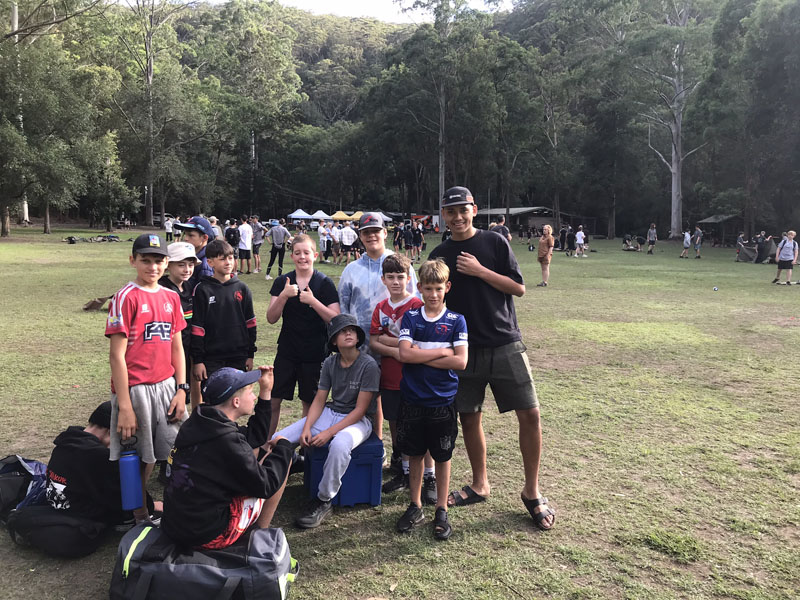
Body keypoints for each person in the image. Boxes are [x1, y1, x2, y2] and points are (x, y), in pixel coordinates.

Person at [429, 186, 555, 531]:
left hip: (504, 342)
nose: (457, 217)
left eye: (463, 210)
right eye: (451, 211)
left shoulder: (495, 242)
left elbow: (519, 288)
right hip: (462, 348)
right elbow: (434, 298)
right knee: (469, 417)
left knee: (530, 414)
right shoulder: (440, 253)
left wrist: (480, 270)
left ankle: (532, 491)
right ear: (443, 215)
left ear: (474, 209)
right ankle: (480, 484)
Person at [106, 234, 188, 524]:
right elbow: (116, 356)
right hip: (136, 390)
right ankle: (138, 515)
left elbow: (177, 347)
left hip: (166, 386)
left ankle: (155, 506)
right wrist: (125, 406)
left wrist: (182, 389)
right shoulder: (125, 297)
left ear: (166, 263)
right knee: (139, 456)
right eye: (146, 260)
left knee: (166, 451)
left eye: (158, 261)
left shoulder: (171, 297)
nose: (153, 267)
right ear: (133, 261)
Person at [162, 366, 293, 549]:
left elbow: (256, 437)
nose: (254, 397)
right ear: (236, 402)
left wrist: (266, 392)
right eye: (251, 392)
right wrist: (285, 448)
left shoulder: (200, 422)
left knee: (256, 451)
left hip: (175, 525)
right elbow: (266, 485)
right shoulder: (227, 441)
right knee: (279, 459)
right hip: (207, 536)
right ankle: (259, 534)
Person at [272, 314, 380, 529]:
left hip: (359, 420)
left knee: (339, 445)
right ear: (333, 341)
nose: (348, 333)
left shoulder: (369, 365)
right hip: (331, 412)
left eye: (352, 330)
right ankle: (297, 462)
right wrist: (306, 428)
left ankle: (324, 499)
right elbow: (320, 399)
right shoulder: (330, 362)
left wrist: (329, 433)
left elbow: (360, 410)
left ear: (358, 336)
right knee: (278, 438)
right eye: (342, 331)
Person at [394, 259, 468, 540]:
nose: (433, 294)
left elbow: (460, 362)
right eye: (428, 288)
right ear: (419, 288)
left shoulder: (456, 320)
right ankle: (415, 505)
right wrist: (442, 353)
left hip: (443, 402)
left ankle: (441, 509)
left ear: (447, 287)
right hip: (412, 399)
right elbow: (404, 354)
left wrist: (419, 356)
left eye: (438, 288)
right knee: (414, 454)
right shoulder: (411, 317)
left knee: (442, 456)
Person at [266, 234, 340, 439]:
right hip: (287, 351)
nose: (302, 257)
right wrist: (283, 295)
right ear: (292, 256)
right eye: (297, 253)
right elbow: (271, 318)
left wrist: (313, 301)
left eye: (306, 253)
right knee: (274, 399)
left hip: (315, 353)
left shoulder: (324, 283)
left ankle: (303, 446)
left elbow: (335, 318)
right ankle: (265, 445)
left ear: (315, 255)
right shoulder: (283, 281)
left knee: (310, 402)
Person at [368, 254, 426, 496]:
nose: (395, 282)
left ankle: (427, 476)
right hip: (390, 378)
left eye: (400, 277)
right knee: (395, 422)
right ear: (383, 279)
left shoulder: (417, 306)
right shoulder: (380, 308)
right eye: (390, 277)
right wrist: (398, 350)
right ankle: (403, 470)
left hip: (415, 378)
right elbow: (373, 343)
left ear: (408, 278)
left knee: (419, 425)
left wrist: (389, 341)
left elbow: (418, 343)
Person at [45, 401, 156, 526]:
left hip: (58, 506)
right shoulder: (100, 456)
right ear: (112, 432)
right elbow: (130, 500)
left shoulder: (66, 441)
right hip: (83, 518)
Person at [191, 239, 257, 405]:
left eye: (230, 258)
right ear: (210, 262)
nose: (228, 262)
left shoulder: (242, 288)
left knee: (235, 402)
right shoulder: (202, 289)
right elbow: (197, 328)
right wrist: (198, 360)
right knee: (213, 403)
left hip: (238, 357)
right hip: (211, 359)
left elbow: (250, 323)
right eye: (222, 259)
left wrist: (250, 354)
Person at [158, 242, 199, 405]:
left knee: (183, 393)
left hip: (186, 350)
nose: (187, 269)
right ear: (168, 265)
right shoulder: (161, 288)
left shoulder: (190, 286)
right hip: (166, 353)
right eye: (181, 265)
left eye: (191, 265)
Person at [173, 216, 216, 292]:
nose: (186, 238)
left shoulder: (205, 264)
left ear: (205, 238)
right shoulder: (192, 256)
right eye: (185, 234)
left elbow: (205, 293)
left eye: (191, 235)